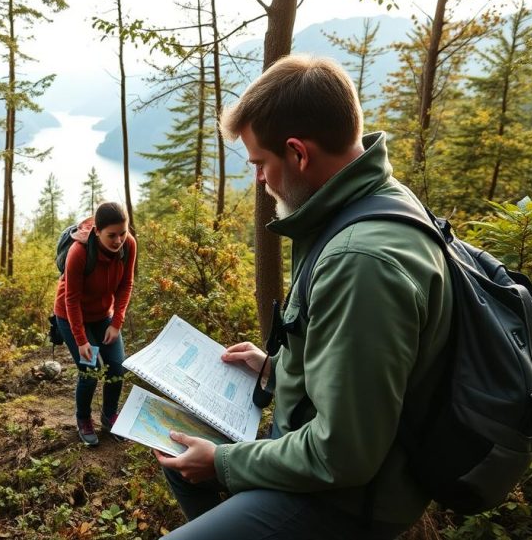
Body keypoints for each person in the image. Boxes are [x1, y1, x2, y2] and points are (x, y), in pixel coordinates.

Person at [153, 55, 455, 539]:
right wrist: (274, 367)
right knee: (178, 457)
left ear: (298, 153)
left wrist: (225, 462)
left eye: (260, 163)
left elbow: (344, 455)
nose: (259, 179)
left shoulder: (360, 262)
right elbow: (361, 370)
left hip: (348, 502)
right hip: (333, 464)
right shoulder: (370, 201)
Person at [53, 202, 137, 446]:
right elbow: (71, 298)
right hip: (71, 317)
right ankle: (83, 418)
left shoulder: (128, 244)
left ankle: (110, 416)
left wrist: (117, 322)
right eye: (112, 235)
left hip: (103, 315)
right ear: (97, 231)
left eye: (123, 233)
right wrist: (81, 340)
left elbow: (126, 285)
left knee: (117, 366)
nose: (119, 240)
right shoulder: (79, 252)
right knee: (89, 370)